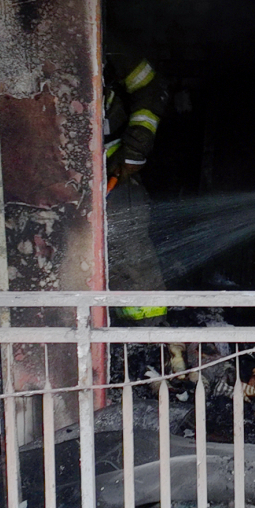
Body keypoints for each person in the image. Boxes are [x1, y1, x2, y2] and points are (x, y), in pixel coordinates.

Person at [104, 39, 171, 321]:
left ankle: (151, 339)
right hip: (57, 184)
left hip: (113, 173)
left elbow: (152, 90)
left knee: (129, 252)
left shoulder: (108, 45)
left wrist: (134, 150)